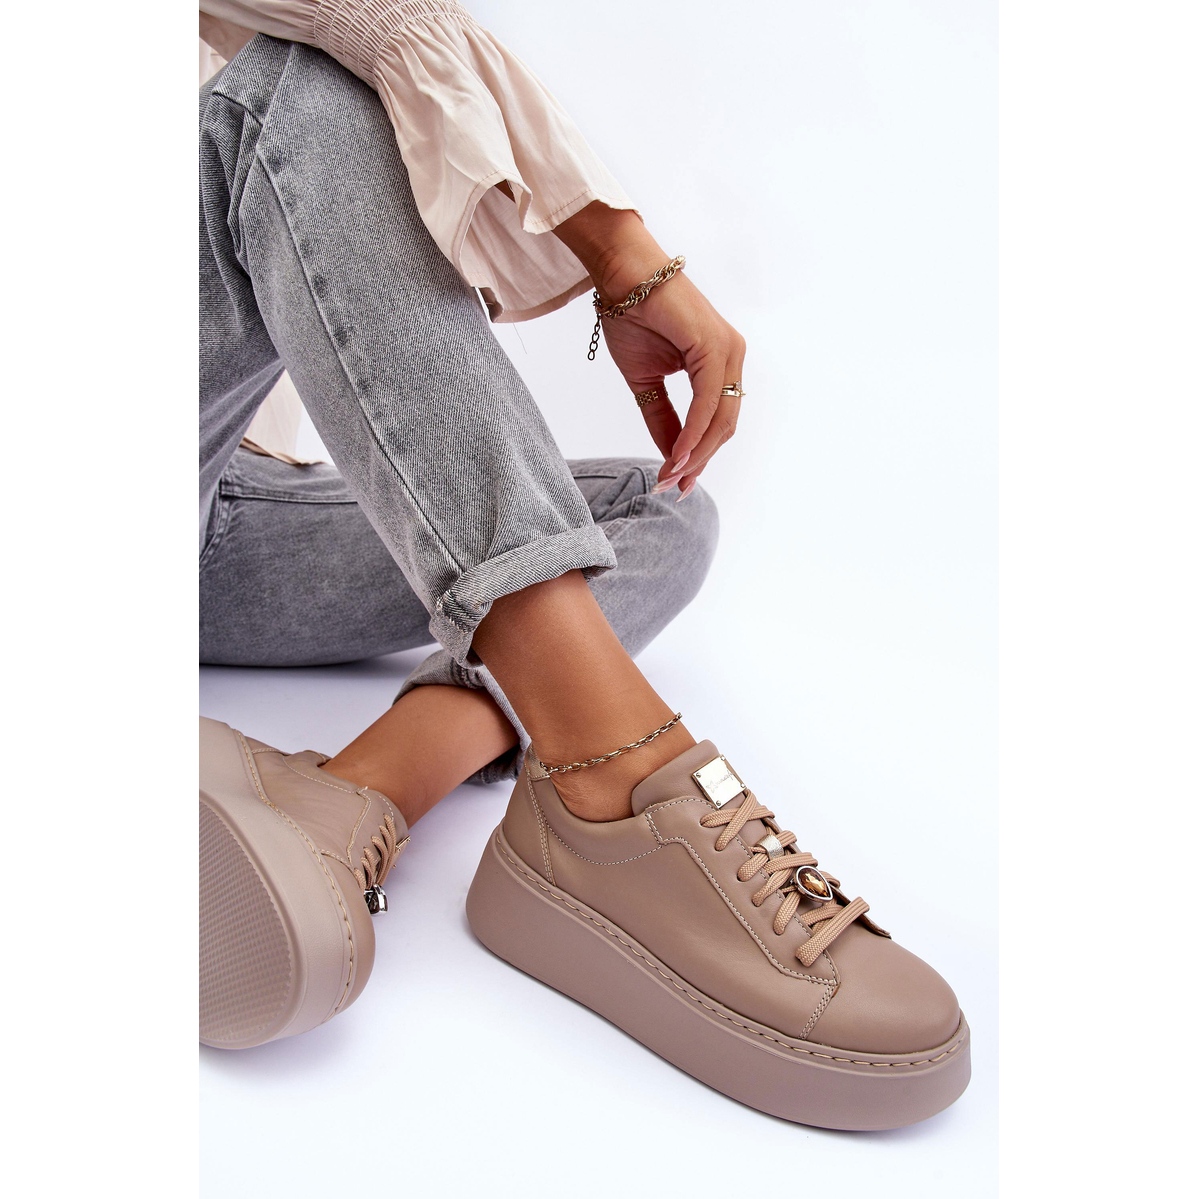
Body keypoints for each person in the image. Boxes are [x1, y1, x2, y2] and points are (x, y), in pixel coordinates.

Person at [199, 1, 970, 1131]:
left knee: (658, 512)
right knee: (301, 91)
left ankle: (361, 788)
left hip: (224, 503)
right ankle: (613, 790)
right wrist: (621, 253)